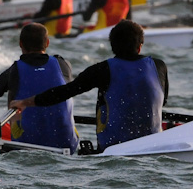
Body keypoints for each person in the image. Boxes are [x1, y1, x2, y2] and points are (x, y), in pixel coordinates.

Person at [10, 20, 168, 152]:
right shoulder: (159, 66)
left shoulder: (101, 70)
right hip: (154, 147)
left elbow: (64, 92)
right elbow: (163, 101)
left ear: (111, 46)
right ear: (140, 46)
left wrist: (25, 102)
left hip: (112, 150)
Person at [0, 23, 78, 154]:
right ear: (47, 43)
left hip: (27, 147)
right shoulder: (63, 65)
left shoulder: (13, 72)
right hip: (67, 144)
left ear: (20, 44)